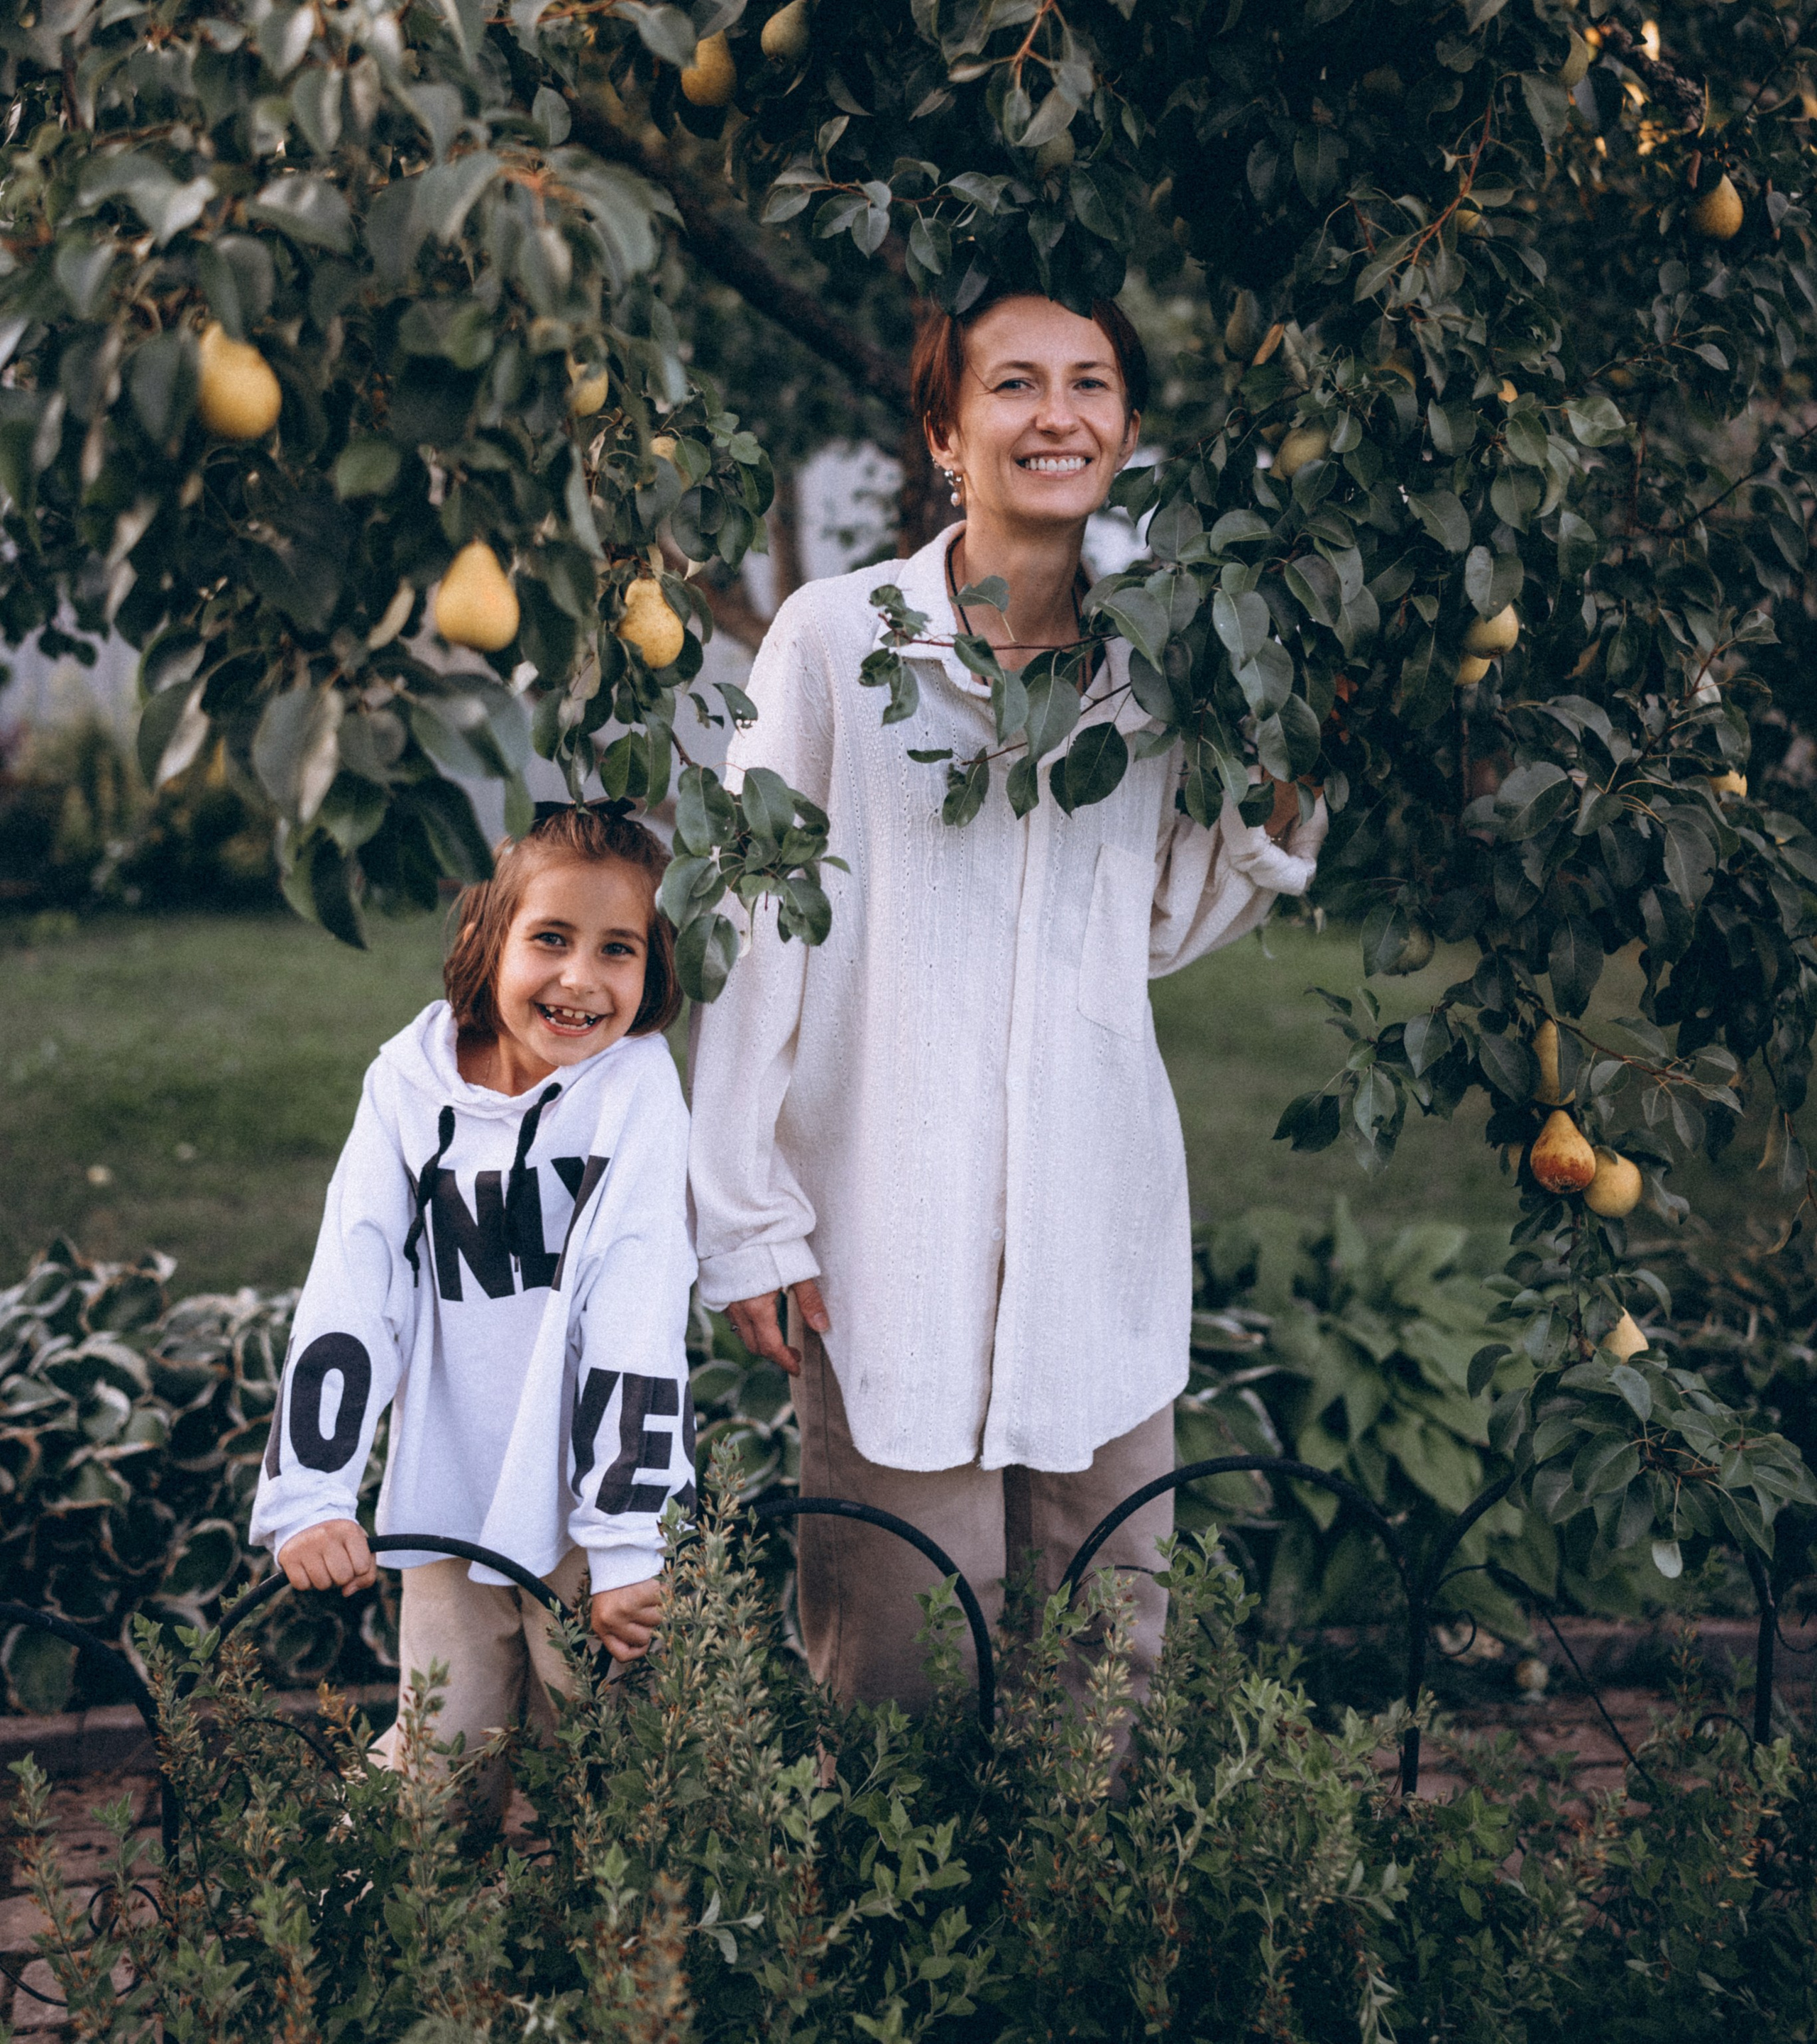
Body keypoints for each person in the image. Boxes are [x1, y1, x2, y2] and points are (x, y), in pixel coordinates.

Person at [688, 290, 1326, 1710]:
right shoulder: (836, 643)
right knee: (905, 1670)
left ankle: (1081, 1931)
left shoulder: (1159, 667)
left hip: (1093, 1232)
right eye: (1015, 385)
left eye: (1089, 384)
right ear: (944, 434)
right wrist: (742, 1222)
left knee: (1105, 1670)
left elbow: (1151, 927)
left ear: (1123, 428)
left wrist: (1276, 774)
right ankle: (896, 1933)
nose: (1057, 415)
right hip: (883, 1240)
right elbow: (752, 927)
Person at [250, 805, 695, 1821]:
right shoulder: (406, 1089)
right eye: (551, 939)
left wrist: (630, 1541)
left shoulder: (634, 1091)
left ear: (651, 971)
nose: (582, 979)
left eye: (617, 951)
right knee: (439, 1774)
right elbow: (354, 1285)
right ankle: (371, 1939)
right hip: (449, 1502)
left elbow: (638, 1306)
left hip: (592, 1520)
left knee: (594, 1787)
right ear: (487, 936)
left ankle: (594, 1977)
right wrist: (312, 1492)